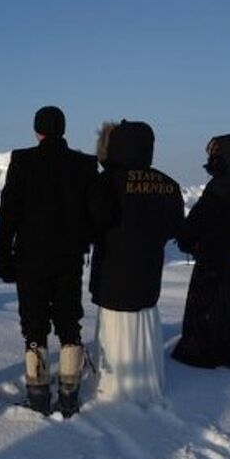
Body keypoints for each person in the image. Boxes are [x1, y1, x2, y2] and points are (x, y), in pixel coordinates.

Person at [0, 106, 97, 417]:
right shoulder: (84, 164)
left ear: (37, 131)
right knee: (69, 322)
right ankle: (69, 397)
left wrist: (3, 253)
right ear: (63, 129)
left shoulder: (23, 160)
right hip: (69, 256)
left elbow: (9, 211)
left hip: (31, 256)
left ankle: (38, 397)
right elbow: (94, 213)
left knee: (34, 325)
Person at [88, 120, 184, 405]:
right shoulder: (168, 184)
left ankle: (112, 386)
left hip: (112, 269)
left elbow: (95, 221)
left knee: (114, 328)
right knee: (144, 322)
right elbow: (175, 227)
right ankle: (147, 383)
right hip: (148, 270)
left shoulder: (106, 181)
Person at [171, 134, 230, 368]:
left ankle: (201, 355)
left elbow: (200, 218)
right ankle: (226, 352)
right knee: (228, 309)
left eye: (216, 152)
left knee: (208, 310)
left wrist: (185, 235)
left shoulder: (221, 185)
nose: (211, 156)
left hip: (213, 257)